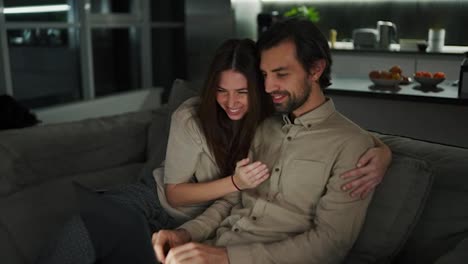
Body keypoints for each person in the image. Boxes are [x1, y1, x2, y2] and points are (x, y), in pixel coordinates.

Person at [38, 36, 389, 263]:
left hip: (205, 219)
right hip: (163, 201)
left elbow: (327, 130)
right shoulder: (192, 116)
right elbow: (176, 196)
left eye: (243, 91)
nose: (231, 103)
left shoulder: (271, 116)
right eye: (222, 91)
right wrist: (235, 185)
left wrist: (381, 150)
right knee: (83, 227)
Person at [152, 18, 387, 264]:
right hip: (213, 246)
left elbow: (331, 243)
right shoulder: (264, 126)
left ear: (315, 70)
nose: (267, 87)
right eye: (264, 75)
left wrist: (224, 257)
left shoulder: (352, 145)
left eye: (281, 74)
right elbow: (231, 201)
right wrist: (185, 233)